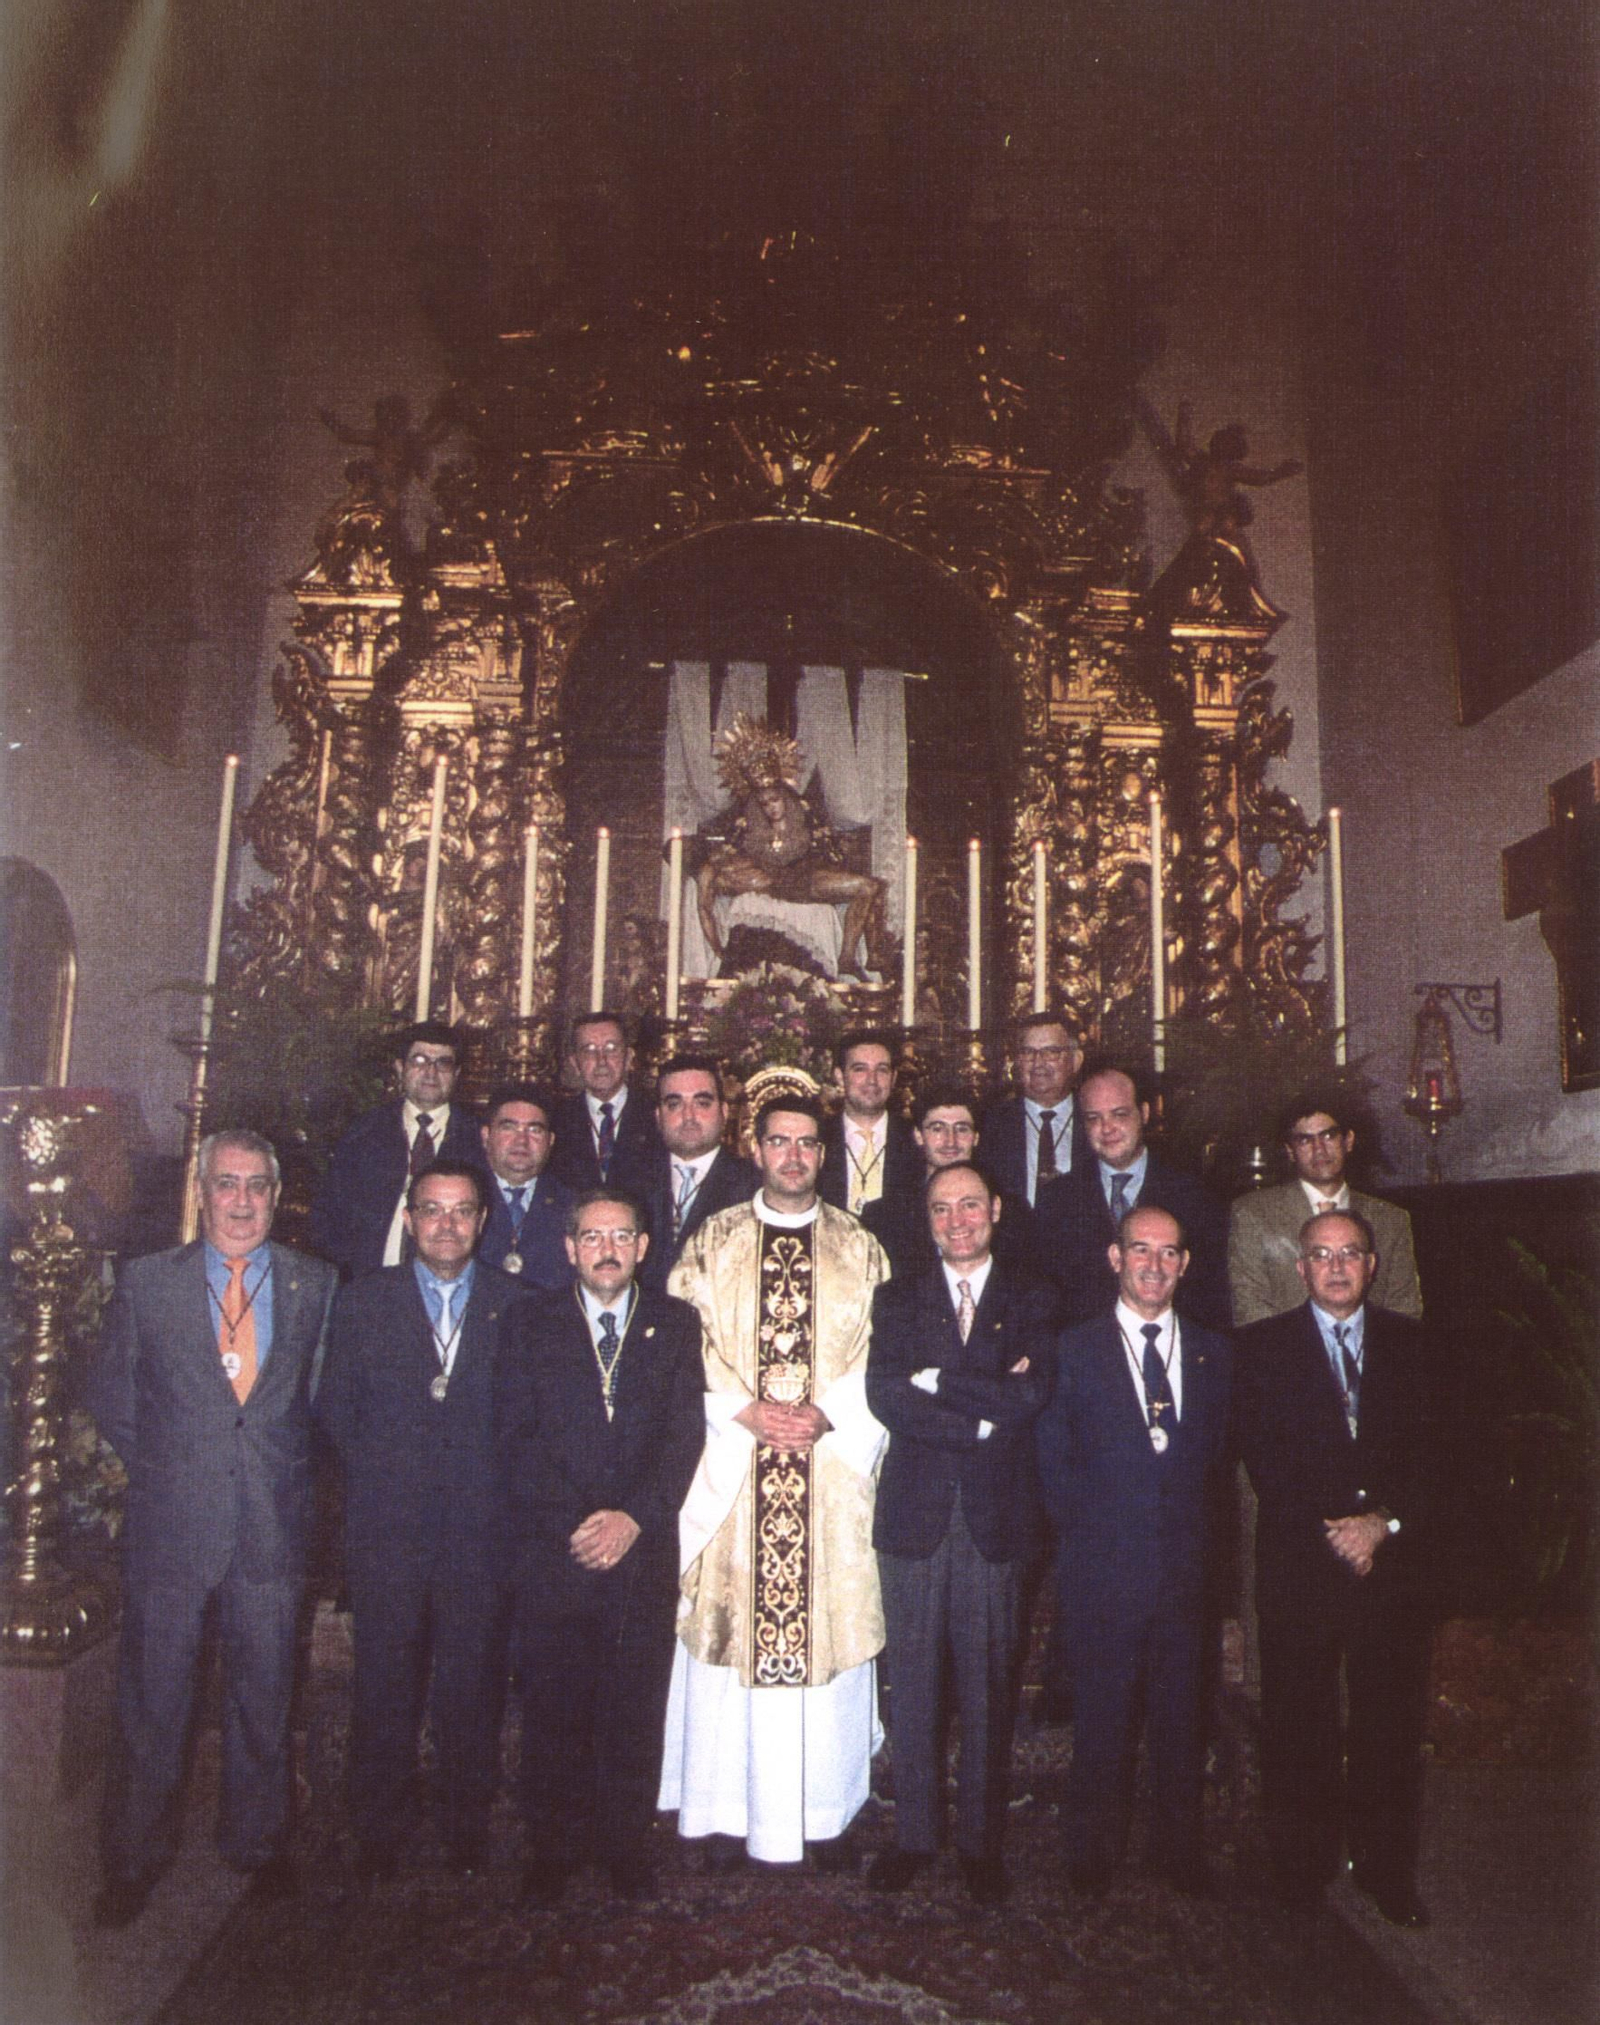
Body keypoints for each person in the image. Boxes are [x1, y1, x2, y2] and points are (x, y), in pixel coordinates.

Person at [85, 1130, 337, 1927]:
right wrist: (174, 1465)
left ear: (276, 1192)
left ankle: (257, 1845)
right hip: (173, 1522)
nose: (240, 1201)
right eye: (224, 1184)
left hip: (271, 1524)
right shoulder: (146, 1283)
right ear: (200, 1191)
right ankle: (132, 1858)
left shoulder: (315, 1283)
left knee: (264, 1693)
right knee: (153, 1698)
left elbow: (321, 1403)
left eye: (255, 1186)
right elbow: (115, 1397)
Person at [659, 1092, 890, 1869]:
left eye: (807, 1144)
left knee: (826, 1635)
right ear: (752, 1149)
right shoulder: (711, 1242)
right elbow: (679, 1350)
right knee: (730, 1640)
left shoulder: (862, 1248)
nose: (793, 1156)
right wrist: (743, 1410)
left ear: (824, 1155)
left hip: (828, 1473)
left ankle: (825, 1815)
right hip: (734, 1468)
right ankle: (725, 1812)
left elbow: (880, 1356)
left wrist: (826, 1412)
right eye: (778, 1141)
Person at [316, 1159, 531, 1879]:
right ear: (409, 1220)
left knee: (472, 1686)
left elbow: (528, 1423)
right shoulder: (362, 1302)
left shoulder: (518, 1303)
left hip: (482, 1534)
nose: (446, 1224)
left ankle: (464, 1822)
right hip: (390, 1532)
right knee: (384, 1683)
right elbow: (336, 1412)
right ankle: (378, 1824)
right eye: (431, 1210)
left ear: (482, 1220)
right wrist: (397, 1480)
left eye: (461, 1210)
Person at [498, 1188, 705, 1905]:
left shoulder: (676, 1324)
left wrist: (634, 1518)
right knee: (554, 1704)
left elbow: (685, 1434)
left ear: (644, 1246)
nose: (607, 1248)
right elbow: (514, 1436)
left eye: (622, 1234)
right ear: (569, 1247)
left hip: (641, 1551)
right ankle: (552, 1848)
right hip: (557, 1549)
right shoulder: (528, 1323)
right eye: (592, 1236)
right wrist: (583, 1521)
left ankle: (623, 1845)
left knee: (633, 1703)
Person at [1233, 1210, 1439, 1926]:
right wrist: (1339, 1527)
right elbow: (1264, 1460)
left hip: (1391, 1566)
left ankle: (1387, 1871)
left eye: (1350, 1252)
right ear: (1300, 1268)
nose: (1337, 1266)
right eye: (1322, 1255)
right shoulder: (1259, 1349)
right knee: (1298, 1725)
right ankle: (1301, 1867)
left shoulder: (1415, 1348)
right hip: (1303, 1560)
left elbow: (1438, 1456)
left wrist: (1382, 1523)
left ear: (1373, 1263)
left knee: (1388, 1723)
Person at [865, 1163, 1053, 1902]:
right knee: (909, 1687)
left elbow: (1032, 1392)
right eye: (942, 1207)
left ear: (996, 1208)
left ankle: (980, 1843)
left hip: (995, 1516)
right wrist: (984, 1407)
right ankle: (914, 1834)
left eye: (971, 1203)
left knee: (986, 1686)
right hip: (914, 1516)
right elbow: (884, 1392)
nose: (958, 1219)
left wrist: (940, 1379)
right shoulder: (899, 1295)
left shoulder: (1032, 1294)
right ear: (927, 1217)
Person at [1035, 1206, 1233, 1899]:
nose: (1153, 1263)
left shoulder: (1213, 1352)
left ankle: (1178, 1850)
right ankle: (1091, 1853)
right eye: (1139, 1249)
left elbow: (1215, 1468)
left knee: (1182, 1718)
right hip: (1102, 1570)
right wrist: (1096, 1546)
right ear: (1114, 1258)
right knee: (1102, 1720)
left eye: (1168, 1252)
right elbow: (1055, 1466)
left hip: (1184, 1573)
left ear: (1185, 1264)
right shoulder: (1072, 1349)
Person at [1044, 1064, 1228, 1326]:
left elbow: (1210, 1298)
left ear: (1143, 1113)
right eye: (1094, 1118)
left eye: (1119, 1114)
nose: (1106, 1129)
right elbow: (1050, 1300)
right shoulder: (1057, 1200)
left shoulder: (1195, 1196)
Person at [308, 1021, 486, 1279]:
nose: (430, 1072)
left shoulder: (477, 1139)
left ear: (457, 1074)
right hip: (369, 1284)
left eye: (443, 1063)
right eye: (420, 1060)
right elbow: (329, 1217)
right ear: (400, 1067)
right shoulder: (363, 1133)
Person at [1228, 1094, 1422, 1327]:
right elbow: (1250, 1305)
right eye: (1305, 1140)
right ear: (1290, 1151)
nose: (1318, 1149)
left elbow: (1404, 1308)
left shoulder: (1390, 1220)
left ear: (1348, 1141)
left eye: (1328, 1136)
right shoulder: (1254, 1214)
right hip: (1284, 1356)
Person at [638, 1054, 759, 1292]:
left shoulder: (755, 1187)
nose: (689, 1116)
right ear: (658, 1116)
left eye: (702, 1103)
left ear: (724, 1112)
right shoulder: (630, 1182)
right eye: (674, 1104)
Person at [861, 1082, 983, 1278]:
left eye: (961, 1129)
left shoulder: (1010, 1215)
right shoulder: (882, 1218)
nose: (950, 1141)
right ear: (918, 1136)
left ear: (976, 1137)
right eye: (937, 1129)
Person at [980, 1011, 1089, 1226]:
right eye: (1028, 1052)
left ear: (1075, 1061)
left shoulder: (1095, 1120)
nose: (1039, 1062)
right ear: (1017, 1061)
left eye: (1051, 1052)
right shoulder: (989, 1124)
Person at [549, 1011, 662, 1197]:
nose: (601, 1061)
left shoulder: (656, 1115)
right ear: (575, 1064)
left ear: (628, 1058)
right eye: (589, 1050)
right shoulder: (556, 1120)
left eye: (611, 1048)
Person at [477, 1082, 574, 1294]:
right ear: (486, 1136)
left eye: (534, 1130)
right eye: (509, 1127)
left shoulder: (573, 1205)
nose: (522, 1140)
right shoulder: (465, 1198)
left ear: (550, 1141)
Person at [819, 1028, 920, 1221]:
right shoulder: (817, 1138)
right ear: (840, 1076)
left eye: (881, 1070)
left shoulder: (916, 1140)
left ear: (893, 1078)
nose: (872, 1080)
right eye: (860, 1069)